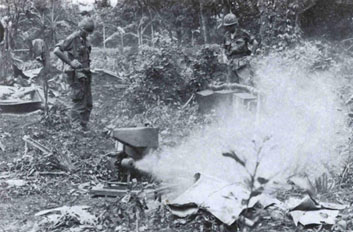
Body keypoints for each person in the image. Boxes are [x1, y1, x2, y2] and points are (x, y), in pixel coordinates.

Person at [54, 17, 95, 131]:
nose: (87, 34)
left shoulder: (85, 40)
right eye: (86, 32)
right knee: (79, 101)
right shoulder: (73, 38)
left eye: (89, 33)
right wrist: (70, 62)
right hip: (76, 74)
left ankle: (83, 125)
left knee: (88, 102)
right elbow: (57, 50)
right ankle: (76, 127)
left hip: (85, 73)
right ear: (80, 28)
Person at [223, 13, 258, 84]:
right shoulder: (226, 35)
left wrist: (251, 55)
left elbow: (255, 43)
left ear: (235, 25)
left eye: (231, 26)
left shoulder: (243, 33)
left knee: (245, 84)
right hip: (231, 64)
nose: (229, 28)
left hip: (242, 63)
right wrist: (224, 56)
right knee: (232, 86)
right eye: (227, 26)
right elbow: (224, 48)